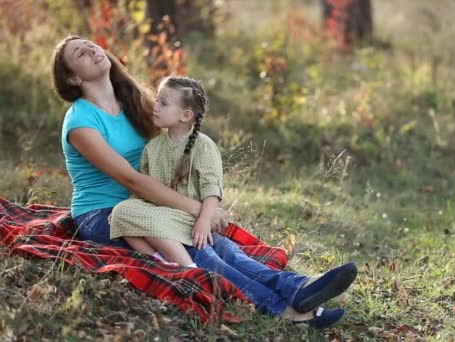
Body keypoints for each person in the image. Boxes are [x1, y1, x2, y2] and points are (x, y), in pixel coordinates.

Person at [52, 36, 357, 329]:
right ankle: (282, 310)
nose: (91, 48)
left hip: (148, 202)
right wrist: (197, 209)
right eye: (80, 53)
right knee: (200, 251)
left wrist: (200, 198)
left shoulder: (133, 102)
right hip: (104, 213)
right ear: (73, 79)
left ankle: (298, 287)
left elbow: (173, 144)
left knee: (221, 246)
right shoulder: (80, 122)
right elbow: (130, 178)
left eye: (89, 43)